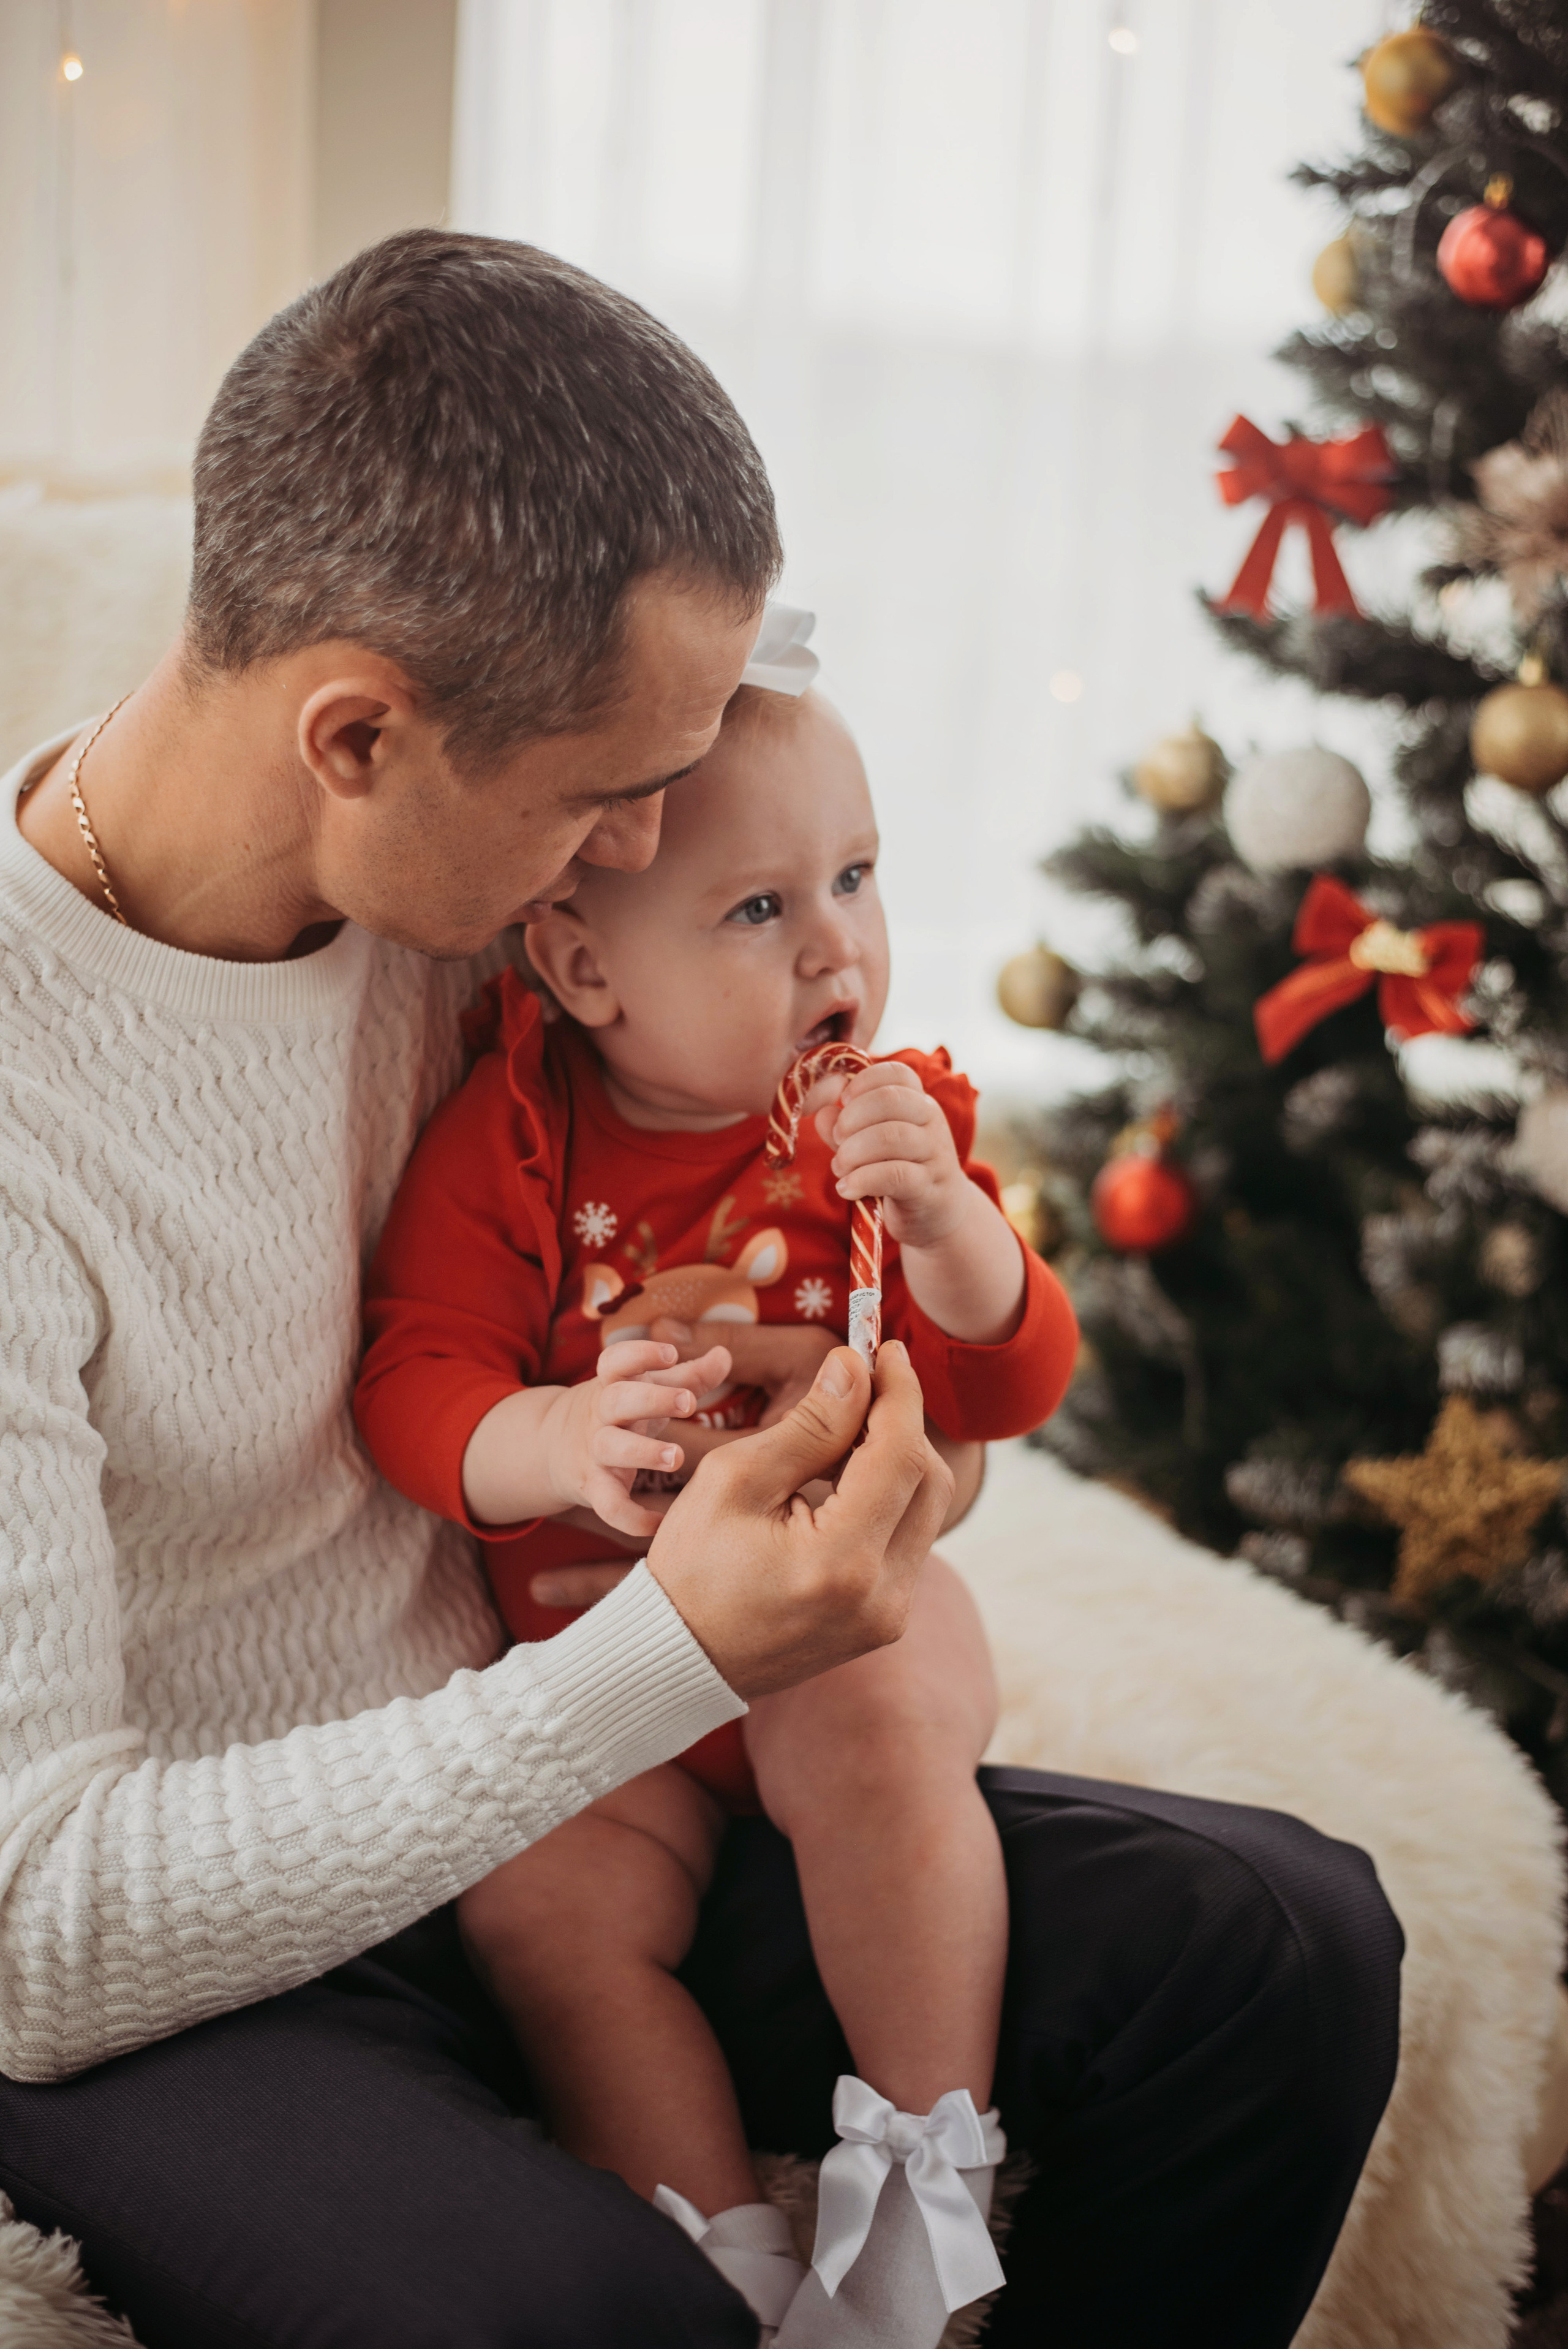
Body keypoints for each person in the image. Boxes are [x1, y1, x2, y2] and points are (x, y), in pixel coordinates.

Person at [0, 230, 1401, 2349]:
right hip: (219, 1957)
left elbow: (887, 1295)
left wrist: (879, 1469)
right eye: (604, 798)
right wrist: (659, 1656)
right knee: (587, 2317)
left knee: (1289, 1940)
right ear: (358, 737)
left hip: (581, 1766)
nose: (647, 849)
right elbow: (39, 1932)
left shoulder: (494, 899)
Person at [354, 673, 1081, 2345]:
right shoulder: (517, 1137)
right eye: (760, 906)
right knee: (539, 1904)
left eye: (858, 876)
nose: (838, 949)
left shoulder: (892, 1138)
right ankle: (708, 2231)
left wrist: (955, 1224)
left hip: (836, 1625)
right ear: (582, 962)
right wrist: (558, 1436)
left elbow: (1013, 1380)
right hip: (620, 1665)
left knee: (871, 1725)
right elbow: (414, 1379)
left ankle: (922, 2169)